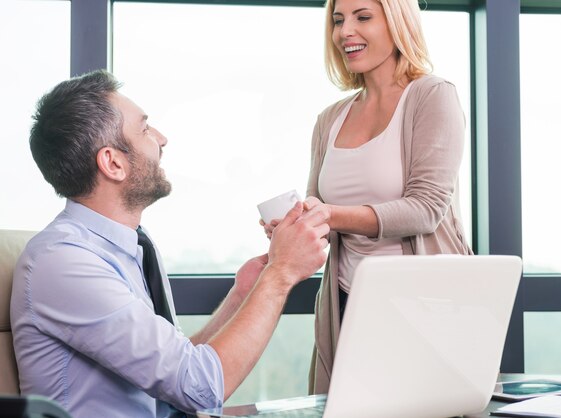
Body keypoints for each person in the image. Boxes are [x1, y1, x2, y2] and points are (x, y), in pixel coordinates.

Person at [10, 70, 330, 418]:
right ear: (113, 163)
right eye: (145, 129)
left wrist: (244, 294)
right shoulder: (64, 263)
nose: (161, 139)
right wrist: (281, 273)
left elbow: (177, 373)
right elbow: (200, 388)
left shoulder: (128, 248)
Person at [262, 0, 472, 394]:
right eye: (338, 21)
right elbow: (320, 211)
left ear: (397, 22)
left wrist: (329, 214)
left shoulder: (432, 95)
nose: (344, 32)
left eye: (363, 17)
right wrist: (296, 225)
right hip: (347, 304)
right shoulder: (330, 119)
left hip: (423, 307)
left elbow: (426, 209)